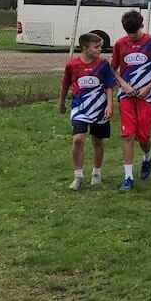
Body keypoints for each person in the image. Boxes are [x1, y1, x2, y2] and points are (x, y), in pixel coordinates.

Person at [111, 10, 151, 191]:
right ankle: (128, 177)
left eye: (135, 32)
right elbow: (112, 68)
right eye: (129, 33)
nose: (132, 36)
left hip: (146, 96)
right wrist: (123, 85)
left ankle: (147, 156)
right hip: (126, 96)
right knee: (128, 135)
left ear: (142, 26)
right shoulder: (120, 44)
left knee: (143, 136)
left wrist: (149, 87)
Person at [60, 33, 116, 191]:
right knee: (78, 139)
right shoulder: (72, 65)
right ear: (85, 48)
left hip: (99, 109)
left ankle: (96, 173)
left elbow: (108, 87)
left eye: (100, 47)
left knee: (97, 141)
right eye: (96, 47)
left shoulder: (103, 64)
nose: (100, 50)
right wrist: (61, 103)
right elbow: (65, 85)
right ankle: (78, 176)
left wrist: (109, 105)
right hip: (80, 108)